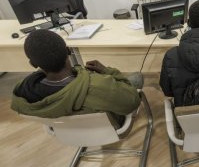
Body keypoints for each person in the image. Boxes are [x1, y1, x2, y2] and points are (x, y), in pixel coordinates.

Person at [11, 29, 142, 128]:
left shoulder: (23, 92)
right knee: (137, 79)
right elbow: (133, 102)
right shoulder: (96, 86)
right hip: (110, 128)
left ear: (33, 64)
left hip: (67, 132)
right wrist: (107, 71)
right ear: (68, 51)